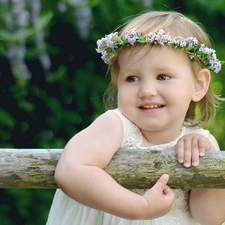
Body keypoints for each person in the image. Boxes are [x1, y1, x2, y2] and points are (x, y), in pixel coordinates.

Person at [46, 11, 225, 225]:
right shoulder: (115, 125)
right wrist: (141, 207)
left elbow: (210, 217)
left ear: (199, 85)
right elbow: (70, 170)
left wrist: (206, 161)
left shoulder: (201, 142)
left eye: (163, 77)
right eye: (132, 78)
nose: (147, 90)